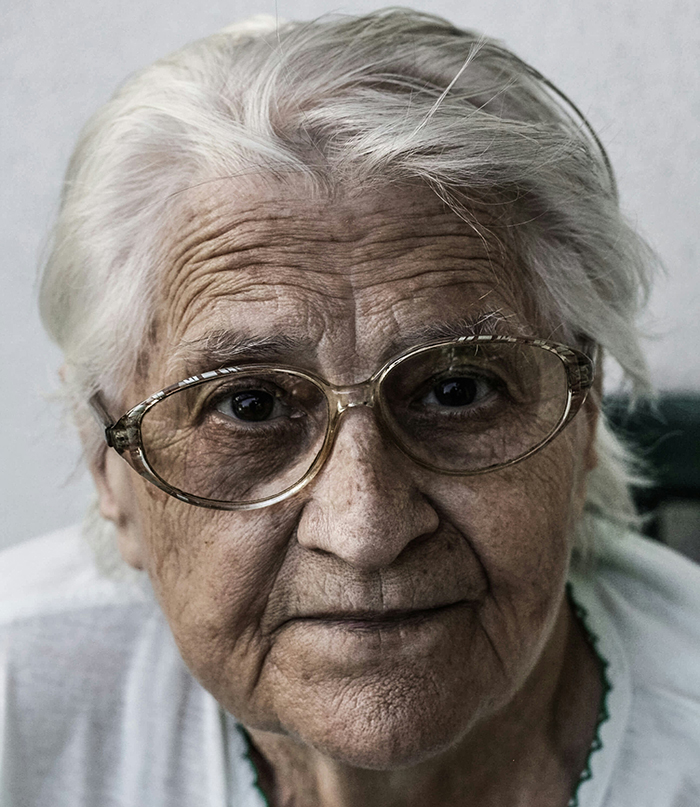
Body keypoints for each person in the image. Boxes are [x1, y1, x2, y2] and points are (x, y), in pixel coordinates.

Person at [1, 9, 699, 806]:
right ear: (109, 470)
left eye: (457, 390)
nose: (365, 530)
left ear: (582, 424)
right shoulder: (19, 701)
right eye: (250, 404)